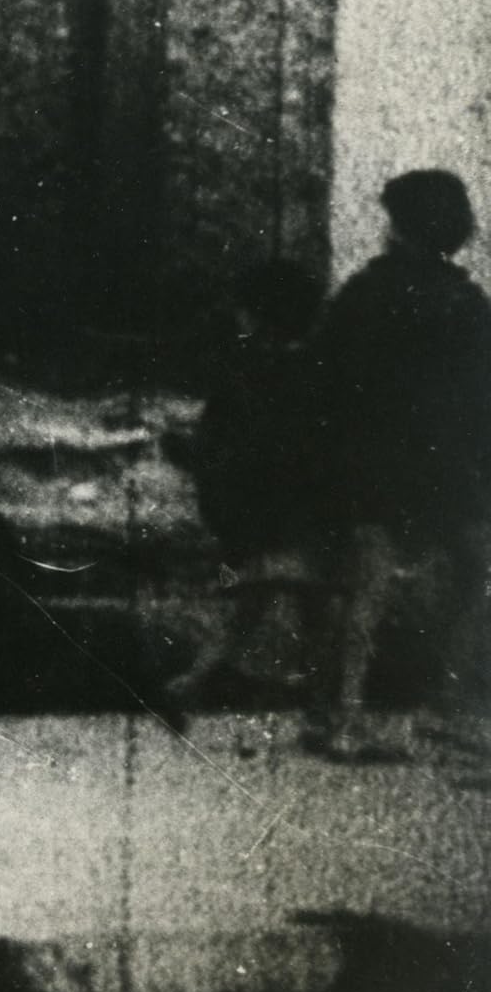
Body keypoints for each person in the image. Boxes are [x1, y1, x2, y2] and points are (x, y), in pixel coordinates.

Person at [310, 169, 491, 760]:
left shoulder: (368, 293)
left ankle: (348, 713)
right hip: (436, 461)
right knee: (467, 573)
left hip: (389, 460)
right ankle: (445, 704)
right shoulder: (462, 301)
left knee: (372, 582)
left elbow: (330, 383)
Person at [168, 260, 333, 708]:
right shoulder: (314, 368)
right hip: (301, 510)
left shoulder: (248, 369)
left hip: (262, 510)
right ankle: (318, 693)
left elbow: (230, 440)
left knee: (255, 598)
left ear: (256, 313)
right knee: (305, 600)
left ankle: (198, 679)